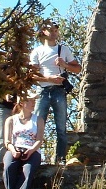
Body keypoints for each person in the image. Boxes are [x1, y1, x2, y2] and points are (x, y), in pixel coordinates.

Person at [29, 19, 82, 164]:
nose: (53, 33)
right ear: (43, 32)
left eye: (55, 30)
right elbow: (31, 76)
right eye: (50, 30)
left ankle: (60, 159)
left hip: (59, 90)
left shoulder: (63, 49)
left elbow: (78, 68)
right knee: (38, 125)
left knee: (61, 127)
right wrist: (49, 78)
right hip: (43, 90)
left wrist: (64, 64)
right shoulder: (37, 51)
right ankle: (34, 158)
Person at [2, 91, 44, 189]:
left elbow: (39, 140)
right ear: (22, 102)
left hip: (32, 150)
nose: (33, 103)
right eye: (30, 100)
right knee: (9, 167)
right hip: (15, 148)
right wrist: (13, 151)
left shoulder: (38, 120)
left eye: (34, 100)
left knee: (28, 170)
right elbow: (7, 141)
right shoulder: (11, 120)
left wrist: (31, 150)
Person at [0, 93, 16, 163]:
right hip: (3, 108)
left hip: (20, 109)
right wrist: (4, 95)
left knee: (19, 139)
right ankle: (0, 167)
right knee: (2, 139)